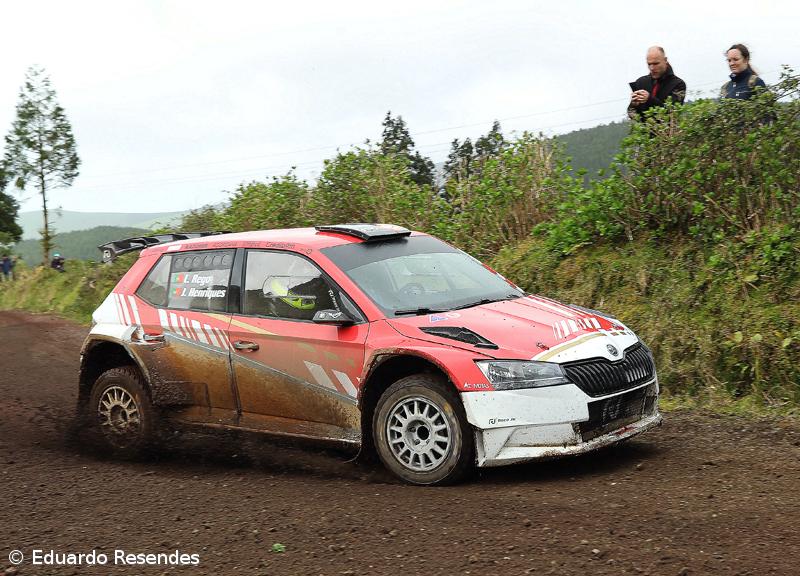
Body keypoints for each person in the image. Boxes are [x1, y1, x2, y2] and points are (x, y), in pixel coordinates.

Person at [628, 46, 687, 121]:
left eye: (656, 64)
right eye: (649, 64)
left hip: (667, 132)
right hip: (644, 131)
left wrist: (649, 99)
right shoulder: (641, 82)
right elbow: (632, 115)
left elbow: (671, 115)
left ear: (665, 60)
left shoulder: (678, 84)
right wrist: (633, 105)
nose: (652, 68)